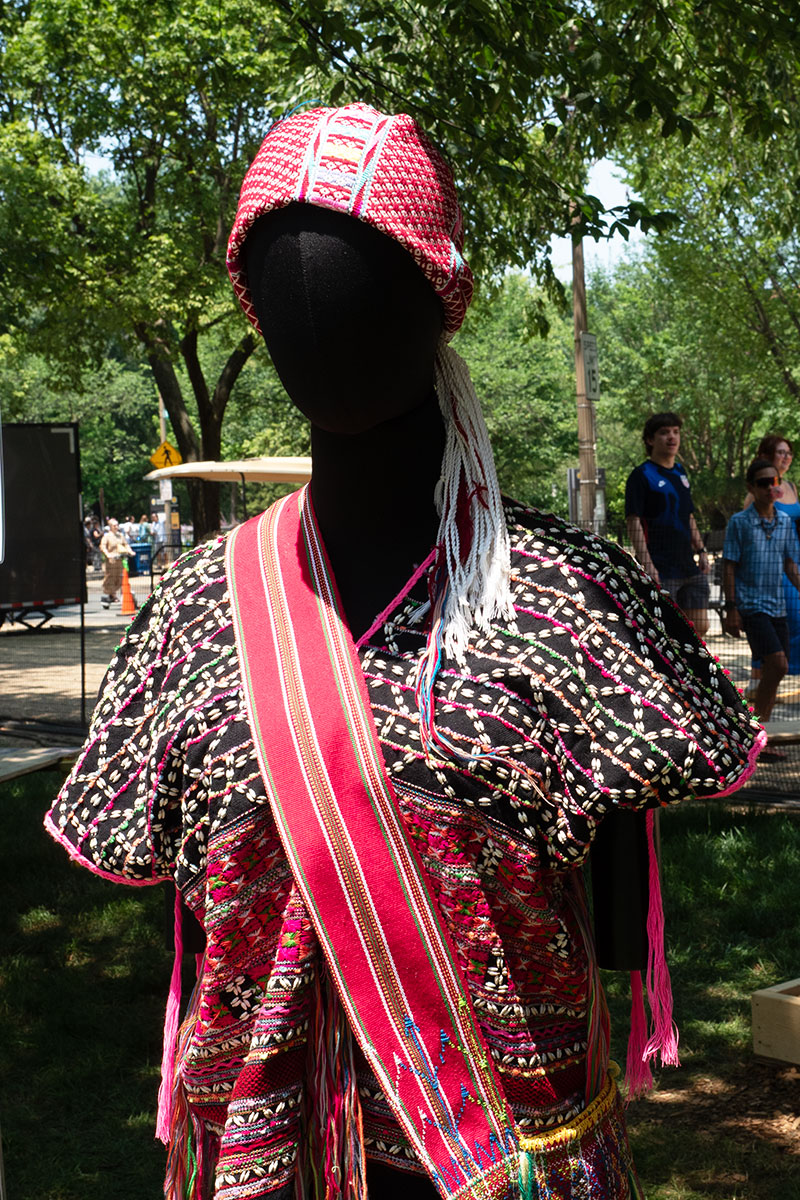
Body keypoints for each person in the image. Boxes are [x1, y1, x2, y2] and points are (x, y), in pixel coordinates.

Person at [46, 103, 763, 1200]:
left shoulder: (572, 594)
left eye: (361, 275)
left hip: (502, 1165)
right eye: (282, 283)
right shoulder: (191, 617)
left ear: (442, 297)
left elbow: (628, 889)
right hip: (260, 1166)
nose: (320, 313)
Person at [723, 456, 800, 723]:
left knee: (777, 669)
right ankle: (756, 729)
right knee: (777, 664)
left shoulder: (785, 522)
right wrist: (731, 609)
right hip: (751, 606)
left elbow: (790, 565)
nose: (770, 488)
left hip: (778, 605)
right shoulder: (739, 522)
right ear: (751, 487)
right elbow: (729, 566)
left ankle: (760, 731)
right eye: (763, 483)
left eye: (774, 482)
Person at [625, 413, 710, 636]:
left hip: (688, 566)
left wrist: (701, 550)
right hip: (661, 569)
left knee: (700, 627)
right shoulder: (641, 475)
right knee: (665, 633)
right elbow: (633, 521)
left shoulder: (680, 472)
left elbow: (688, 514)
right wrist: (648, 565)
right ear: (650, 440)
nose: (672, 437)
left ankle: (690, 670)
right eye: (664, 432)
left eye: (675, 432)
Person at [742, 435, 800, 692]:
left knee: (793, 619)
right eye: (780, 452)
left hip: (793, 561)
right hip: (768, 567)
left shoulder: (791, 486)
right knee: (768, 618)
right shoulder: (756, 491)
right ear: (767, 455)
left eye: (789, 453)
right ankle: (758, 680)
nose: (786, 457)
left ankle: (775, 677)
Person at [98, 517, 133, 607]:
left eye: (117, 525)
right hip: (111, 561)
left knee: (120, 578)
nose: (116, 527)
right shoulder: (107, 536)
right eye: (114, 525)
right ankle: (112, 595)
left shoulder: (120, 535)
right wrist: (107, 554)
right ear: (110, 527)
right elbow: (103, 546)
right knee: (110, 578)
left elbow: (126, 544)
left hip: (120, 560)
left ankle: (116, 595)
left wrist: (130, 551)